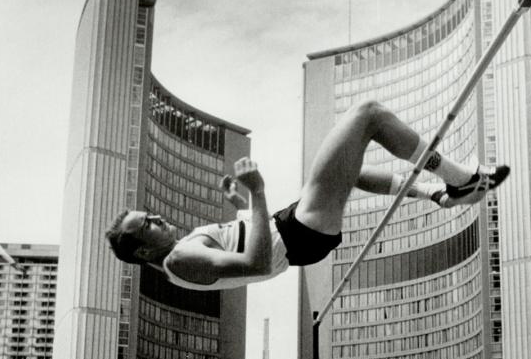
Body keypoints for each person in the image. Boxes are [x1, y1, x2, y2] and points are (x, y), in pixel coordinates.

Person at [105, 100, 509, 289]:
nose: (156, 217)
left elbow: (249, 241)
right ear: (142, 251)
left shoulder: (180, 256)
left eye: (149, 214)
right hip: (298, 234)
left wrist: (241, 206)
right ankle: (462, 180)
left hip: (298, 232)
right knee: (368, 115)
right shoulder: (180, 257)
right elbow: (257, 262)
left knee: (349, 170)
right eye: (148, 223)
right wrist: (258, 192)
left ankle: (439, 194)